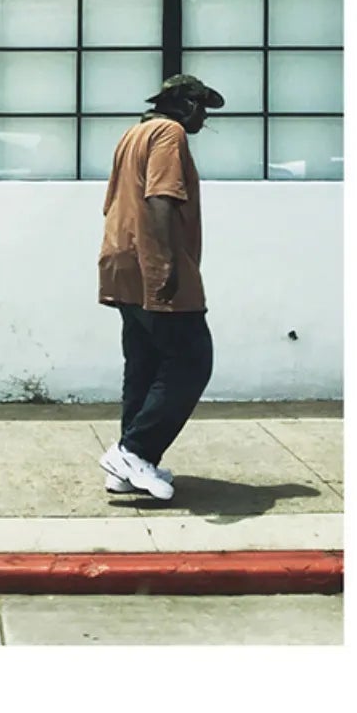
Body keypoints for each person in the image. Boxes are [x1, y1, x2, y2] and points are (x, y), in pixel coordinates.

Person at [95, 73, 225, 501]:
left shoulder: (133, 134)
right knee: (192, 360)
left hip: (121, 261)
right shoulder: (168, 133)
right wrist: (167, 264)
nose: (204, 117)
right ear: (185, 104)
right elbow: (161, 198)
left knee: (146, 365)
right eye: (202, 107)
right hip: (153, 264)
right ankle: (134, 450)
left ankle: (129, 466)